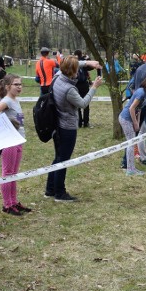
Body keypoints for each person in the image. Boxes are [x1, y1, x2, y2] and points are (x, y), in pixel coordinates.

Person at [44, 56, 103, 200]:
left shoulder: (58, 76)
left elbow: (69, 65)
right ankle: (60, 192)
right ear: (74, 71)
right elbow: (83, 103)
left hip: (57, 124)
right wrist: (94, 87)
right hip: (67, 127)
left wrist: (88, 63)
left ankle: (50, 189)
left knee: (58, 157)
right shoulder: (69, 89)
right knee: (64, 159)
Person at [0, 73, 29, 216]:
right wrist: (7, 125)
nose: (19, 87)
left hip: (18, 140)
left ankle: (14, 201)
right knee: (8, 173)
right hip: (9, 142)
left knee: (14, 174)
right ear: (8, 86)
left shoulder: (15, 100)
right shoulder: (7, 101)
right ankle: (7, 204)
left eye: (20, 84)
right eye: (16, 84)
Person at [119, 74, 146, 176]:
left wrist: (138, 122)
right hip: (125, 119)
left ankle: (131, 168)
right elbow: (132, 108)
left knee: (132, 142)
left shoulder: (145, 93)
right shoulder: (141, 92)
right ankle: (130, 170)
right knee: (131, 143)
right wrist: (135, 122)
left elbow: (139, 109)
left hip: (131, 119)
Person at [73, 50, 92, 128]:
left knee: (77, 104)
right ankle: (85, 122)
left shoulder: (74, 62)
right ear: (81, 54)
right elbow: (91, 67)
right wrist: (88, 59)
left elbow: (90, 68)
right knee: (86, 104)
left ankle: (79, 122)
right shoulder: (83, 62)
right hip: (83, 85)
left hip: (76, 85)